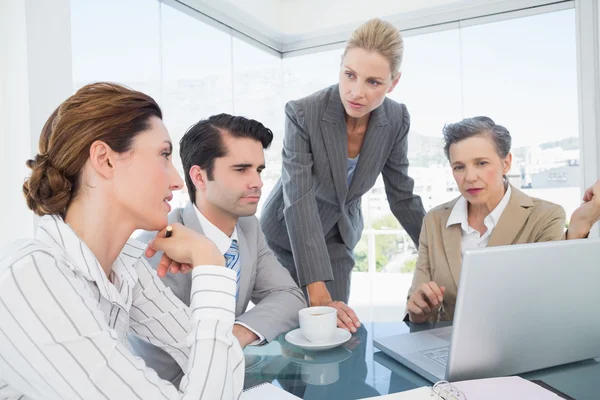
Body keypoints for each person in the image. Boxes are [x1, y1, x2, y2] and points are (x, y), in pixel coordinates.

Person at [0, 83, 244, 399]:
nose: (177, 180)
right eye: (164, 154)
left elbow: (227, 367)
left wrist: (208, 257)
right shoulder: (30, 277)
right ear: (105, 159)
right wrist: (211, 264)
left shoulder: (126, 268)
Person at [261, 18, 426, 332]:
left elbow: (402, 194)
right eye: (349, 75)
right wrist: (315, 286)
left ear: (394, 82)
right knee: (293, 335)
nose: (356, 92)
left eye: (373, 82)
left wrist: (440, 253)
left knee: (338, 334)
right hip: (288, 236)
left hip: (339, 237)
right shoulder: (303, 113)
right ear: (340, 66)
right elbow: (299, 199)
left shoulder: (396, 118)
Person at [132, 113, 306, 385]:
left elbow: (289, 296)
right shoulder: (158, 245)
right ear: (199, 177)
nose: (258, 183)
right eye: (241, 169)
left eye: (259, 170)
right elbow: (182, 354)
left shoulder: (248, 227)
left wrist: (238, 333)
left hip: (228, 375)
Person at [406, 116, 600, 323]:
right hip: (447, 347)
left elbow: (554, 295)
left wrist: (580, 228)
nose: (469, 177)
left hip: (518, 347)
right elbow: (417, 310)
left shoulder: (544, 216)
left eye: (481, 163)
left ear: (506, 163)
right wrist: (418, 311)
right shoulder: (435, 220)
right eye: (459, 167)